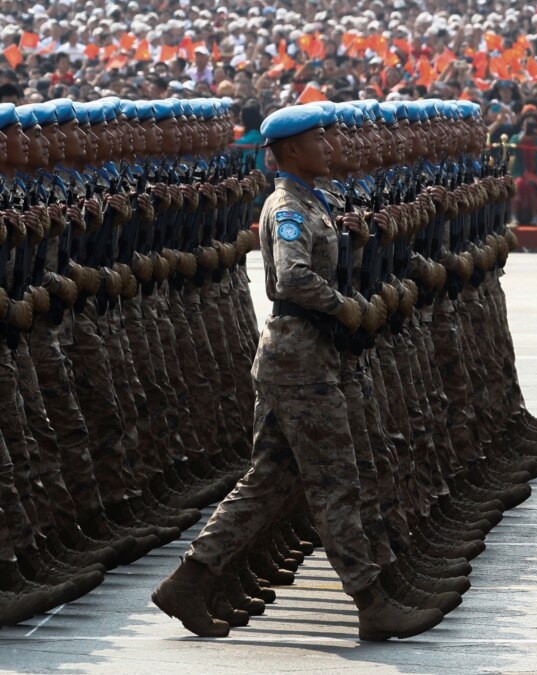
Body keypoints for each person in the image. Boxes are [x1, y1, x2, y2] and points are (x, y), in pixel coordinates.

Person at [152, 103, 444, 642]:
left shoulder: (313, 201)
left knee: (270, 480)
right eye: (317, 140)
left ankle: (187, 582)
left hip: (305, 355)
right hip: (300, 357)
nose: (329, 147)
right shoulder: (287, 206)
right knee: (335, 480)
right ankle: (371, 601)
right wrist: (345, 307)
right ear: (290, 152)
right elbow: (292, 279)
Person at [511, 113, 537, 224]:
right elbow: (509, 150)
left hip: (536, 174)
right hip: (519, 173)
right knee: (519, 183)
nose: (529, 127)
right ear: (522, 125)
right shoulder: (517, 138)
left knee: (528, 184)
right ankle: (516, 215)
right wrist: (522, 136)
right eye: (526, 124)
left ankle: (533, 216)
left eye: (532, 124)